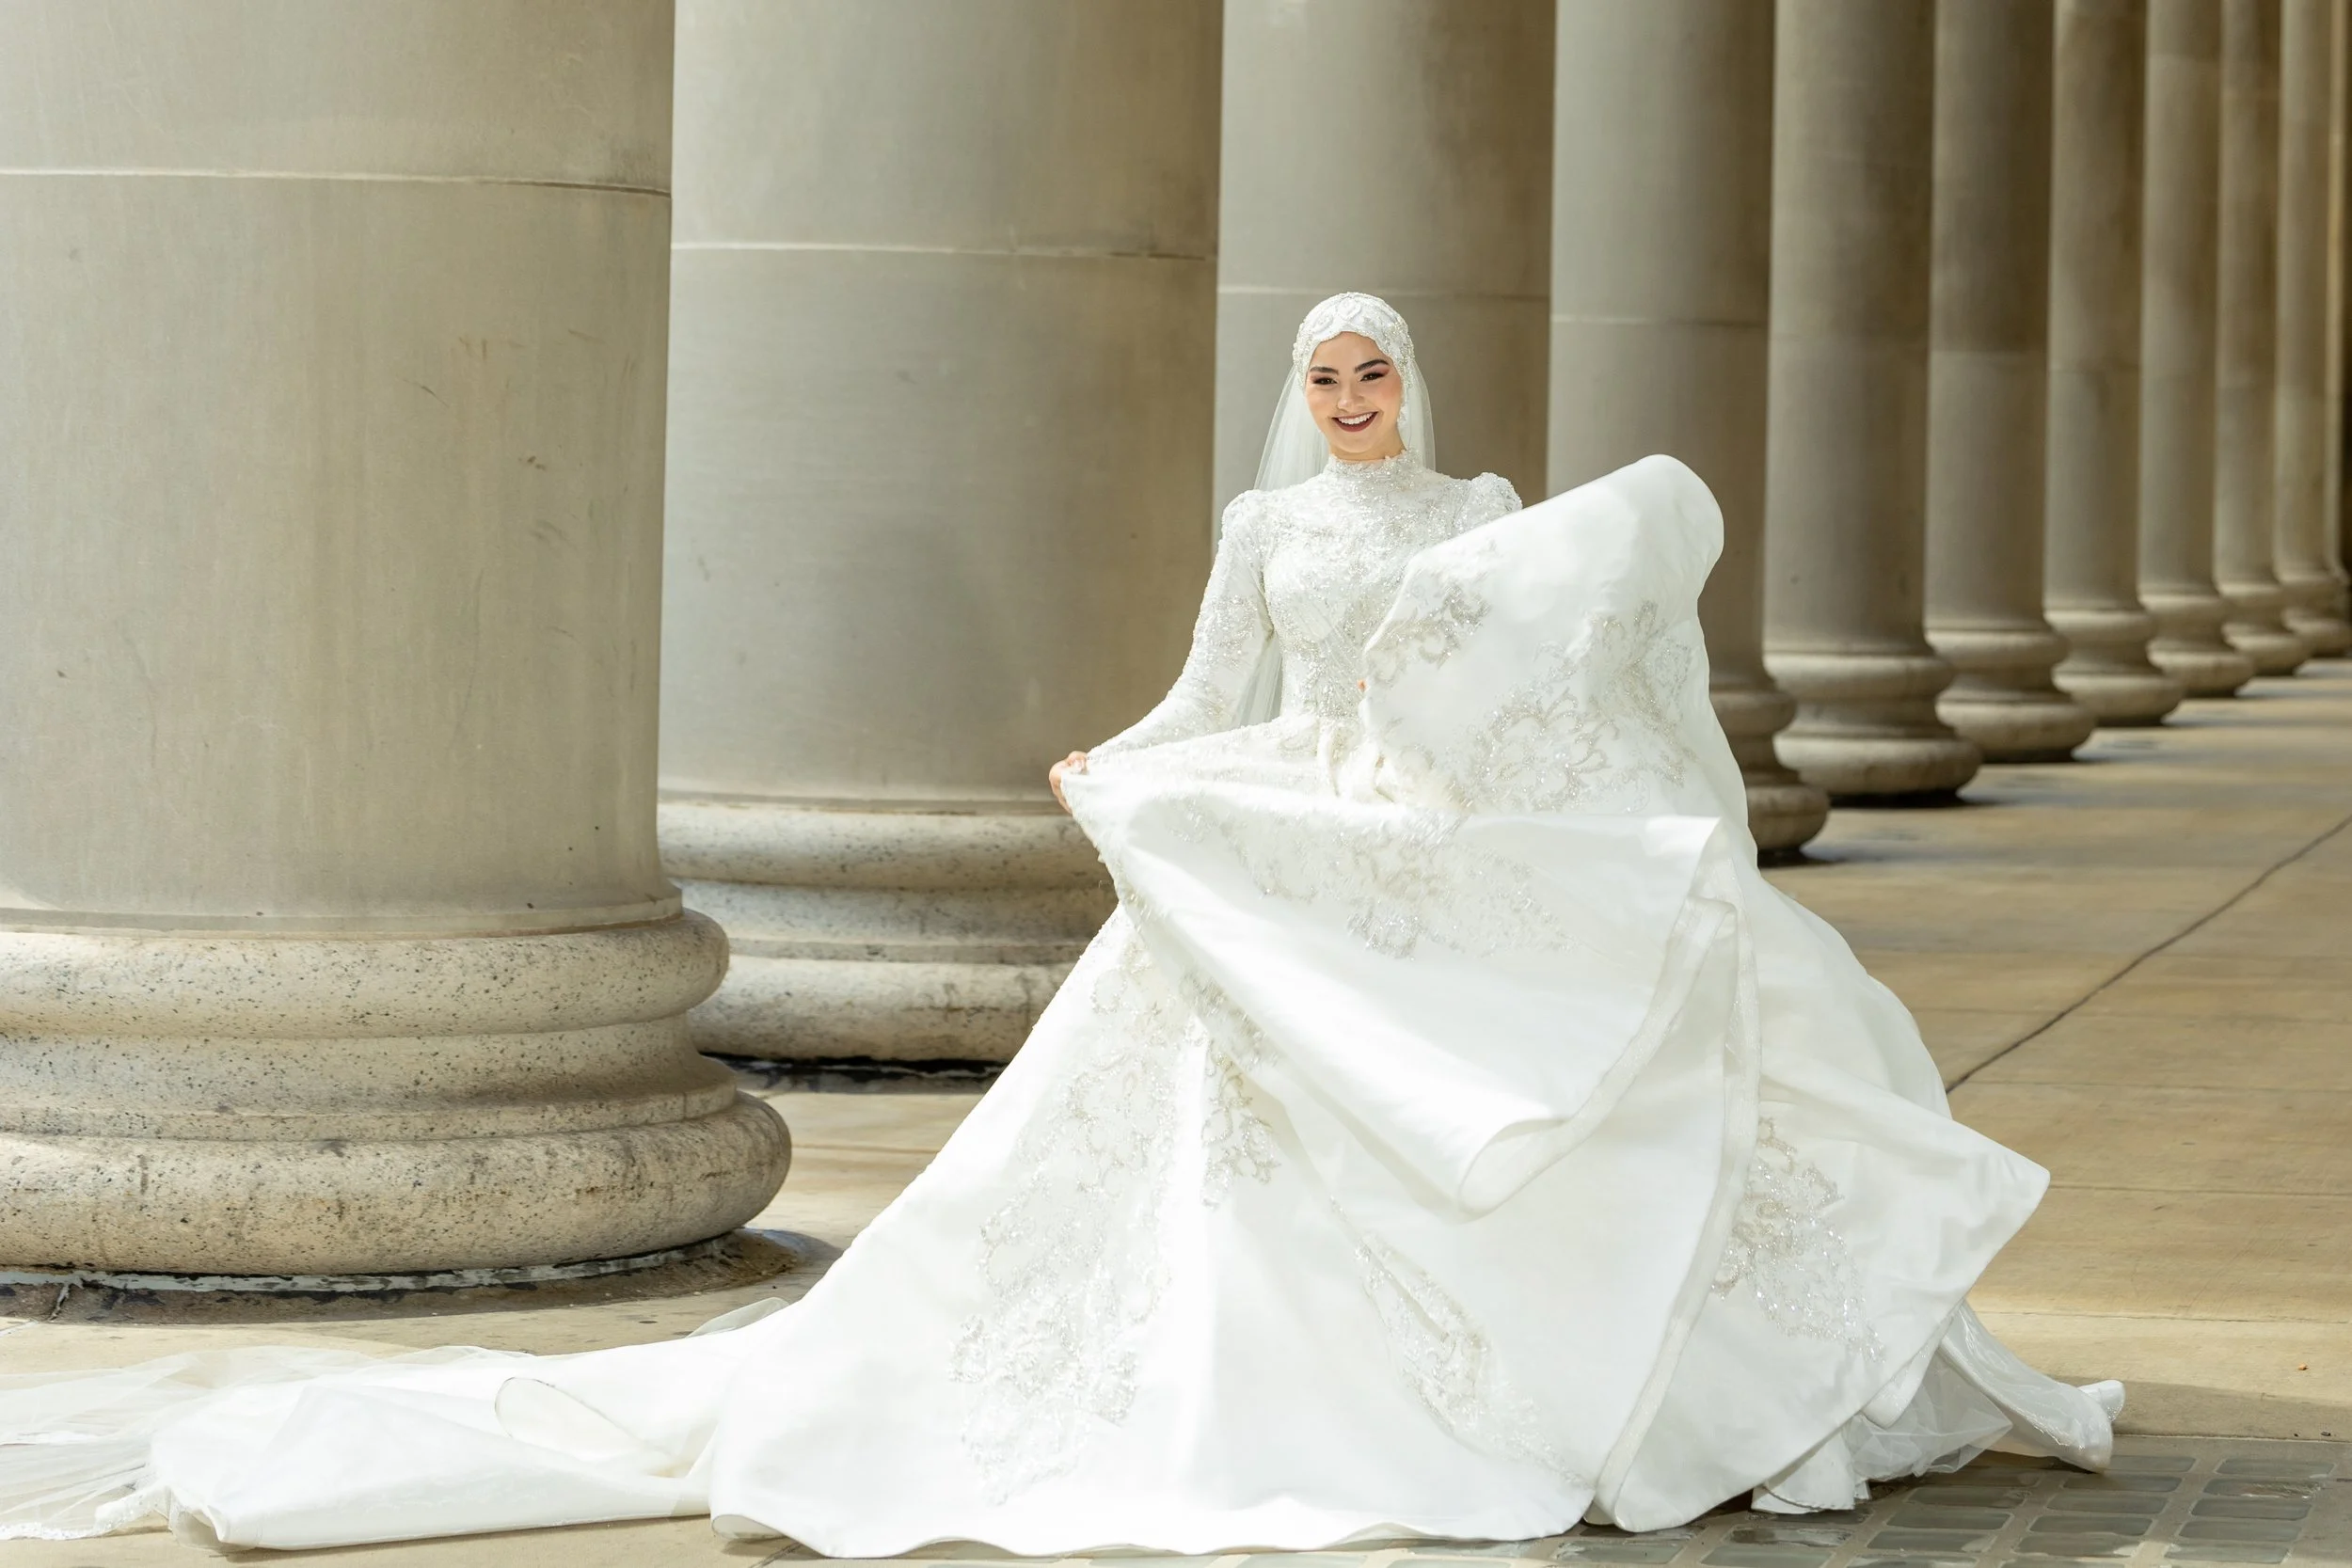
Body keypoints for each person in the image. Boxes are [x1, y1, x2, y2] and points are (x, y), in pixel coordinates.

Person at [0, 293, 2120, 1554]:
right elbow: (1224, 699)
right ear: (1303, 395)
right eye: (1330, 372)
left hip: (1424, 851)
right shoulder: (1267, 521)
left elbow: (1558, 666)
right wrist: (1111, 760)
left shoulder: (1481, 525)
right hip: (1288, 838)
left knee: (1604, 1048)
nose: (1356, 392)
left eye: (1377, 366)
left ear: (1414, 383)